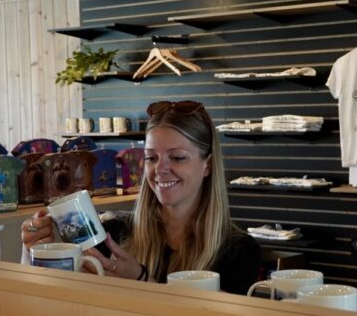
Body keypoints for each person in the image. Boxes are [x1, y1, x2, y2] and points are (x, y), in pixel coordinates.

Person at [21, 100, 262, 295]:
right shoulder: (112, 235)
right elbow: (60, 301)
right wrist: (38, 250)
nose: (160, 169)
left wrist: (141, 280)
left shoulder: (238, 251)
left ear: (207, 165)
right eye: (151, 158)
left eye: (177, 158)